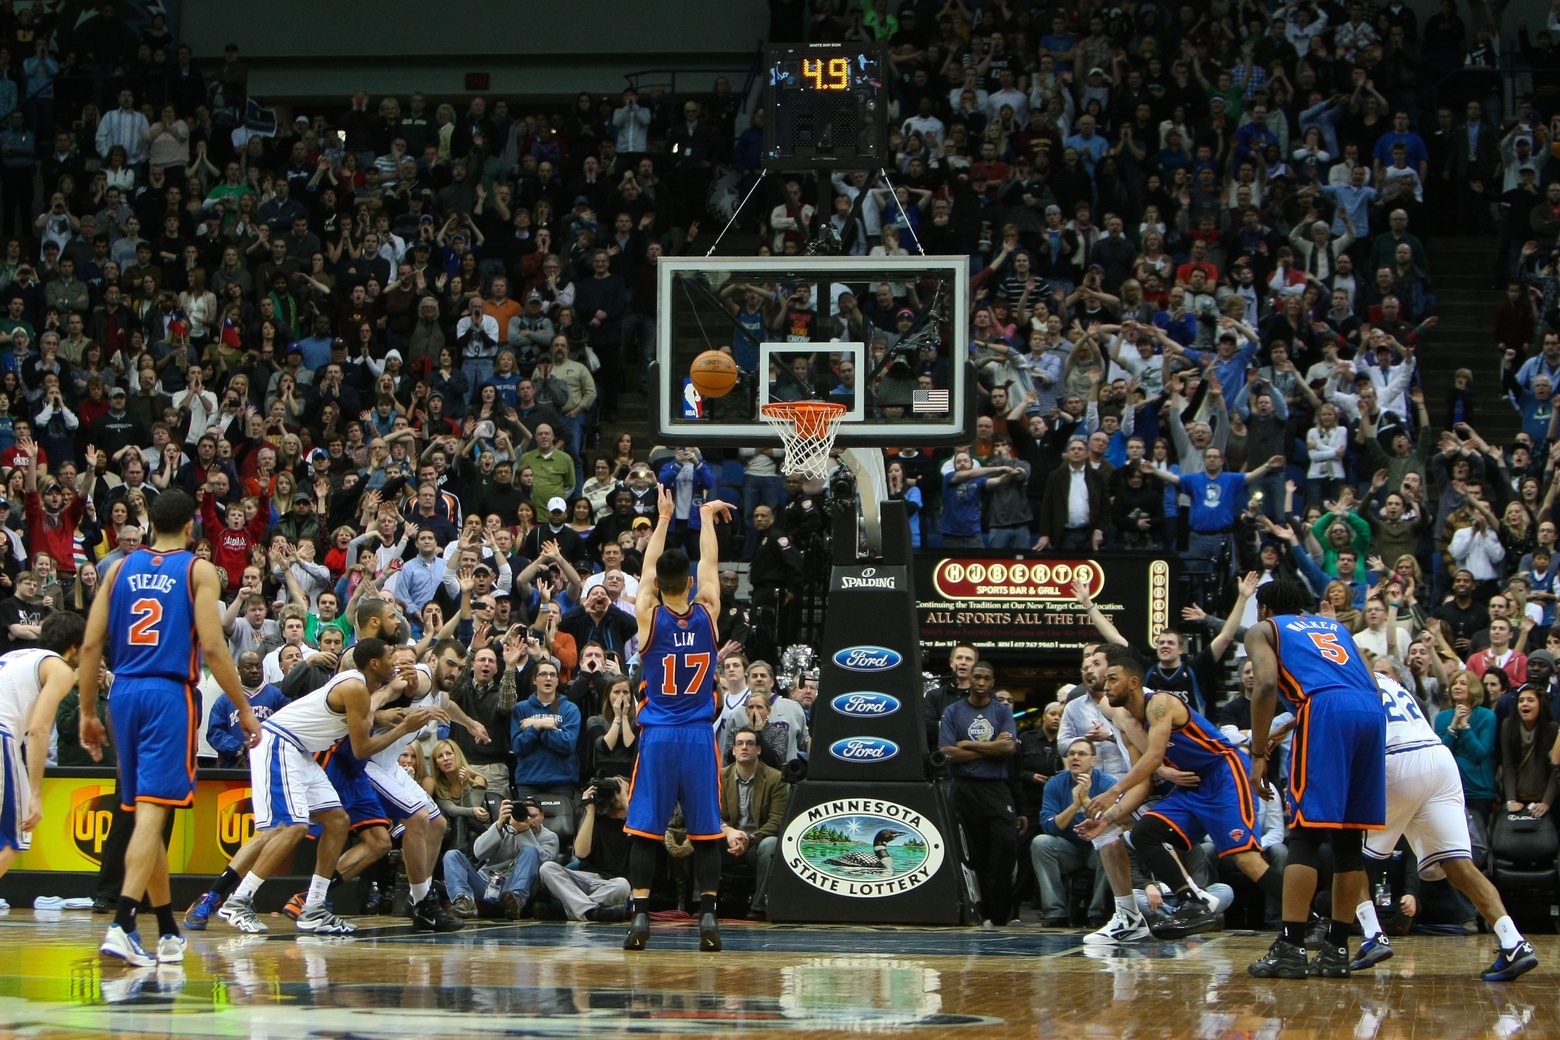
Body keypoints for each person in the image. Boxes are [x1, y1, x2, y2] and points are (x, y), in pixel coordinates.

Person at [80, 490, 260, 968]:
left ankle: (166, 929)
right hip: (167, 694)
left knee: (146, 812)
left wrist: (86, 712)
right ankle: (122, 923)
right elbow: (216, 649)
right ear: (192, 526)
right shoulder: (197, 569)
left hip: (123, 693)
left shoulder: (116, 569)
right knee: (154, 814)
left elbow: (92, 640)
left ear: (148, 521)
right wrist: (243, 707)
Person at [208, 639, 422, 937]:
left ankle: (314, 908)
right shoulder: (355, 687)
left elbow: (376, 704)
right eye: (389, 656)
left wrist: (395, 692)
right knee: (291, 827)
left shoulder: (363, 687)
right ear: (374, 663)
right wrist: (404, 729)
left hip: (302, 751)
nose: (394, 661)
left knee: (337, 821)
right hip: (279, 743)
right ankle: (238, 901)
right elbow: (362, 749)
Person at [1084, 647, 1289, 940]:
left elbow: (1154, 759)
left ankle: (1309, 917)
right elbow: (1147, 772)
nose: (1106, 686)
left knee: (1246, 860)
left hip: (1225, 774)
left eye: (1112, 679)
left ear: (1133, 683)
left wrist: (1113, 792)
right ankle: (1193, 902)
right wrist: (1112, 815)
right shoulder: (1132, 724)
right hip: (1194, 787)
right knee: (1145, 833)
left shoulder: (1159, 704)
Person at [1353, 663, 1537, 980]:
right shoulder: (1392, 683)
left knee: (1349, 857)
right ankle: (1513, 940)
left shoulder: (1347, 677)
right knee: (1459, 865)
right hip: (1438, 760)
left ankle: (1371, 935)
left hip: (1398, 759)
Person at [1244, 578, 1387, 979]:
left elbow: (1267, 684)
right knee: (1348, 838)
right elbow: (1369, 685)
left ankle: (1290, 946)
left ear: (1265, 609)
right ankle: (1338, 948)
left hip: (1324, 712)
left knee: (1305, 834)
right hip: (1371, 713)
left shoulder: (1265, 629)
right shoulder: (1335, 626)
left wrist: (1258, 753)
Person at [622, 486, 732, 952]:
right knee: (707, 829)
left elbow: (647, 571)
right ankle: (708, 914)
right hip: (696, 735)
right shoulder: (708, 610)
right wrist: (705, 516)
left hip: (658, 736)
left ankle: (641, 918)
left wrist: (663, 518)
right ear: (688, 582)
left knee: (646, 830)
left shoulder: (648, 614)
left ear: (659, 587)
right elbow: (708, 562)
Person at [0, 613, 86, 886]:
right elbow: (38, 730)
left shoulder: (17, 655)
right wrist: (35, 794)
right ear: (74, 646)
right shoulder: (60, 669)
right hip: (3, 732)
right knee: (13, 839)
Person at [939, 658, 1019, 927]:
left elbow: (1008, 750)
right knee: (973, 854)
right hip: (964, 788)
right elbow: (947, 752)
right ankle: (978, 912)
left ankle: (1002, 915)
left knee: (1005, 848)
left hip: (996, 788)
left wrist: (968, 744)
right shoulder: (953, 711)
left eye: (987, 678)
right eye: (977, 678)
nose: (982, 682)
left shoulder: (1001, 712)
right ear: (969, 680)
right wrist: (990, 747)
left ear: (993, 682)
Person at [443, 796, 558, 920]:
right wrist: (498, 824)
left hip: (514, 890)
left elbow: (545, 864)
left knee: (530, 850)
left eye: (533, 816)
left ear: (542, 816)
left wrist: (523, 832)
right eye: (525, 815)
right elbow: (479, 853)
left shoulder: (549, 837)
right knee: (452, 855)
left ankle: (516, 902)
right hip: (487, 884)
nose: (528, 820)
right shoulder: (504, 827)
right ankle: (464, 902)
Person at [719, 727, 787, 920]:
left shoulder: (776, 779)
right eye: (739, 743)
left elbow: (777, 820)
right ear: (733, 750)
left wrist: (749, 839)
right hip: (726, 841)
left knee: (771, 845)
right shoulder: (719, 777)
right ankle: (702, 902)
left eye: (750, 743)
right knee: (703, 839)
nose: (744, 747)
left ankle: (758, 907)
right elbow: (709, 814)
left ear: (758, 750)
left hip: (756, 843)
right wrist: (729, 831)